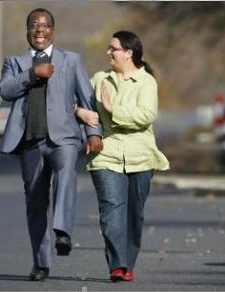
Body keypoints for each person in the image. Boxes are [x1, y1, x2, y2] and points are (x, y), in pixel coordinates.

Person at [0, 8, 103, 281]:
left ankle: (63, 232)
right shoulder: (15, 62)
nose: (39, 30)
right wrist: (32, 73)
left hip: (64, 138)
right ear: (27, 31)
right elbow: (5, 91)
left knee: (66, 174)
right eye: (34, 25)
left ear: (53, 31)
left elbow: (87, 100)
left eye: (44, 26)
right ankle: (41, 263)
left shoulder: (71, 60)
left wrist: (94, 132)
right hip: (30, 142)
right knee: (35, 202)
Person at [86, 31, 170, 282]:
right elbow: (75, 101)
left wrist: (113, 110)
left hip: (141, 156)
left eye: (114, 48)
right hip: (106, 155)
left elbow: (146, 115)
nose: (108, 52)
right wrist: (80, 111)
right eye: (109, 48)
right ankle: (117, 265)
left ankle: (128, 262)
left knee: (135, 213)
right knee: (111, 209)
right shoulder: (99, 79)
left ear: (129, 53)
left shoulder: (147, 83)